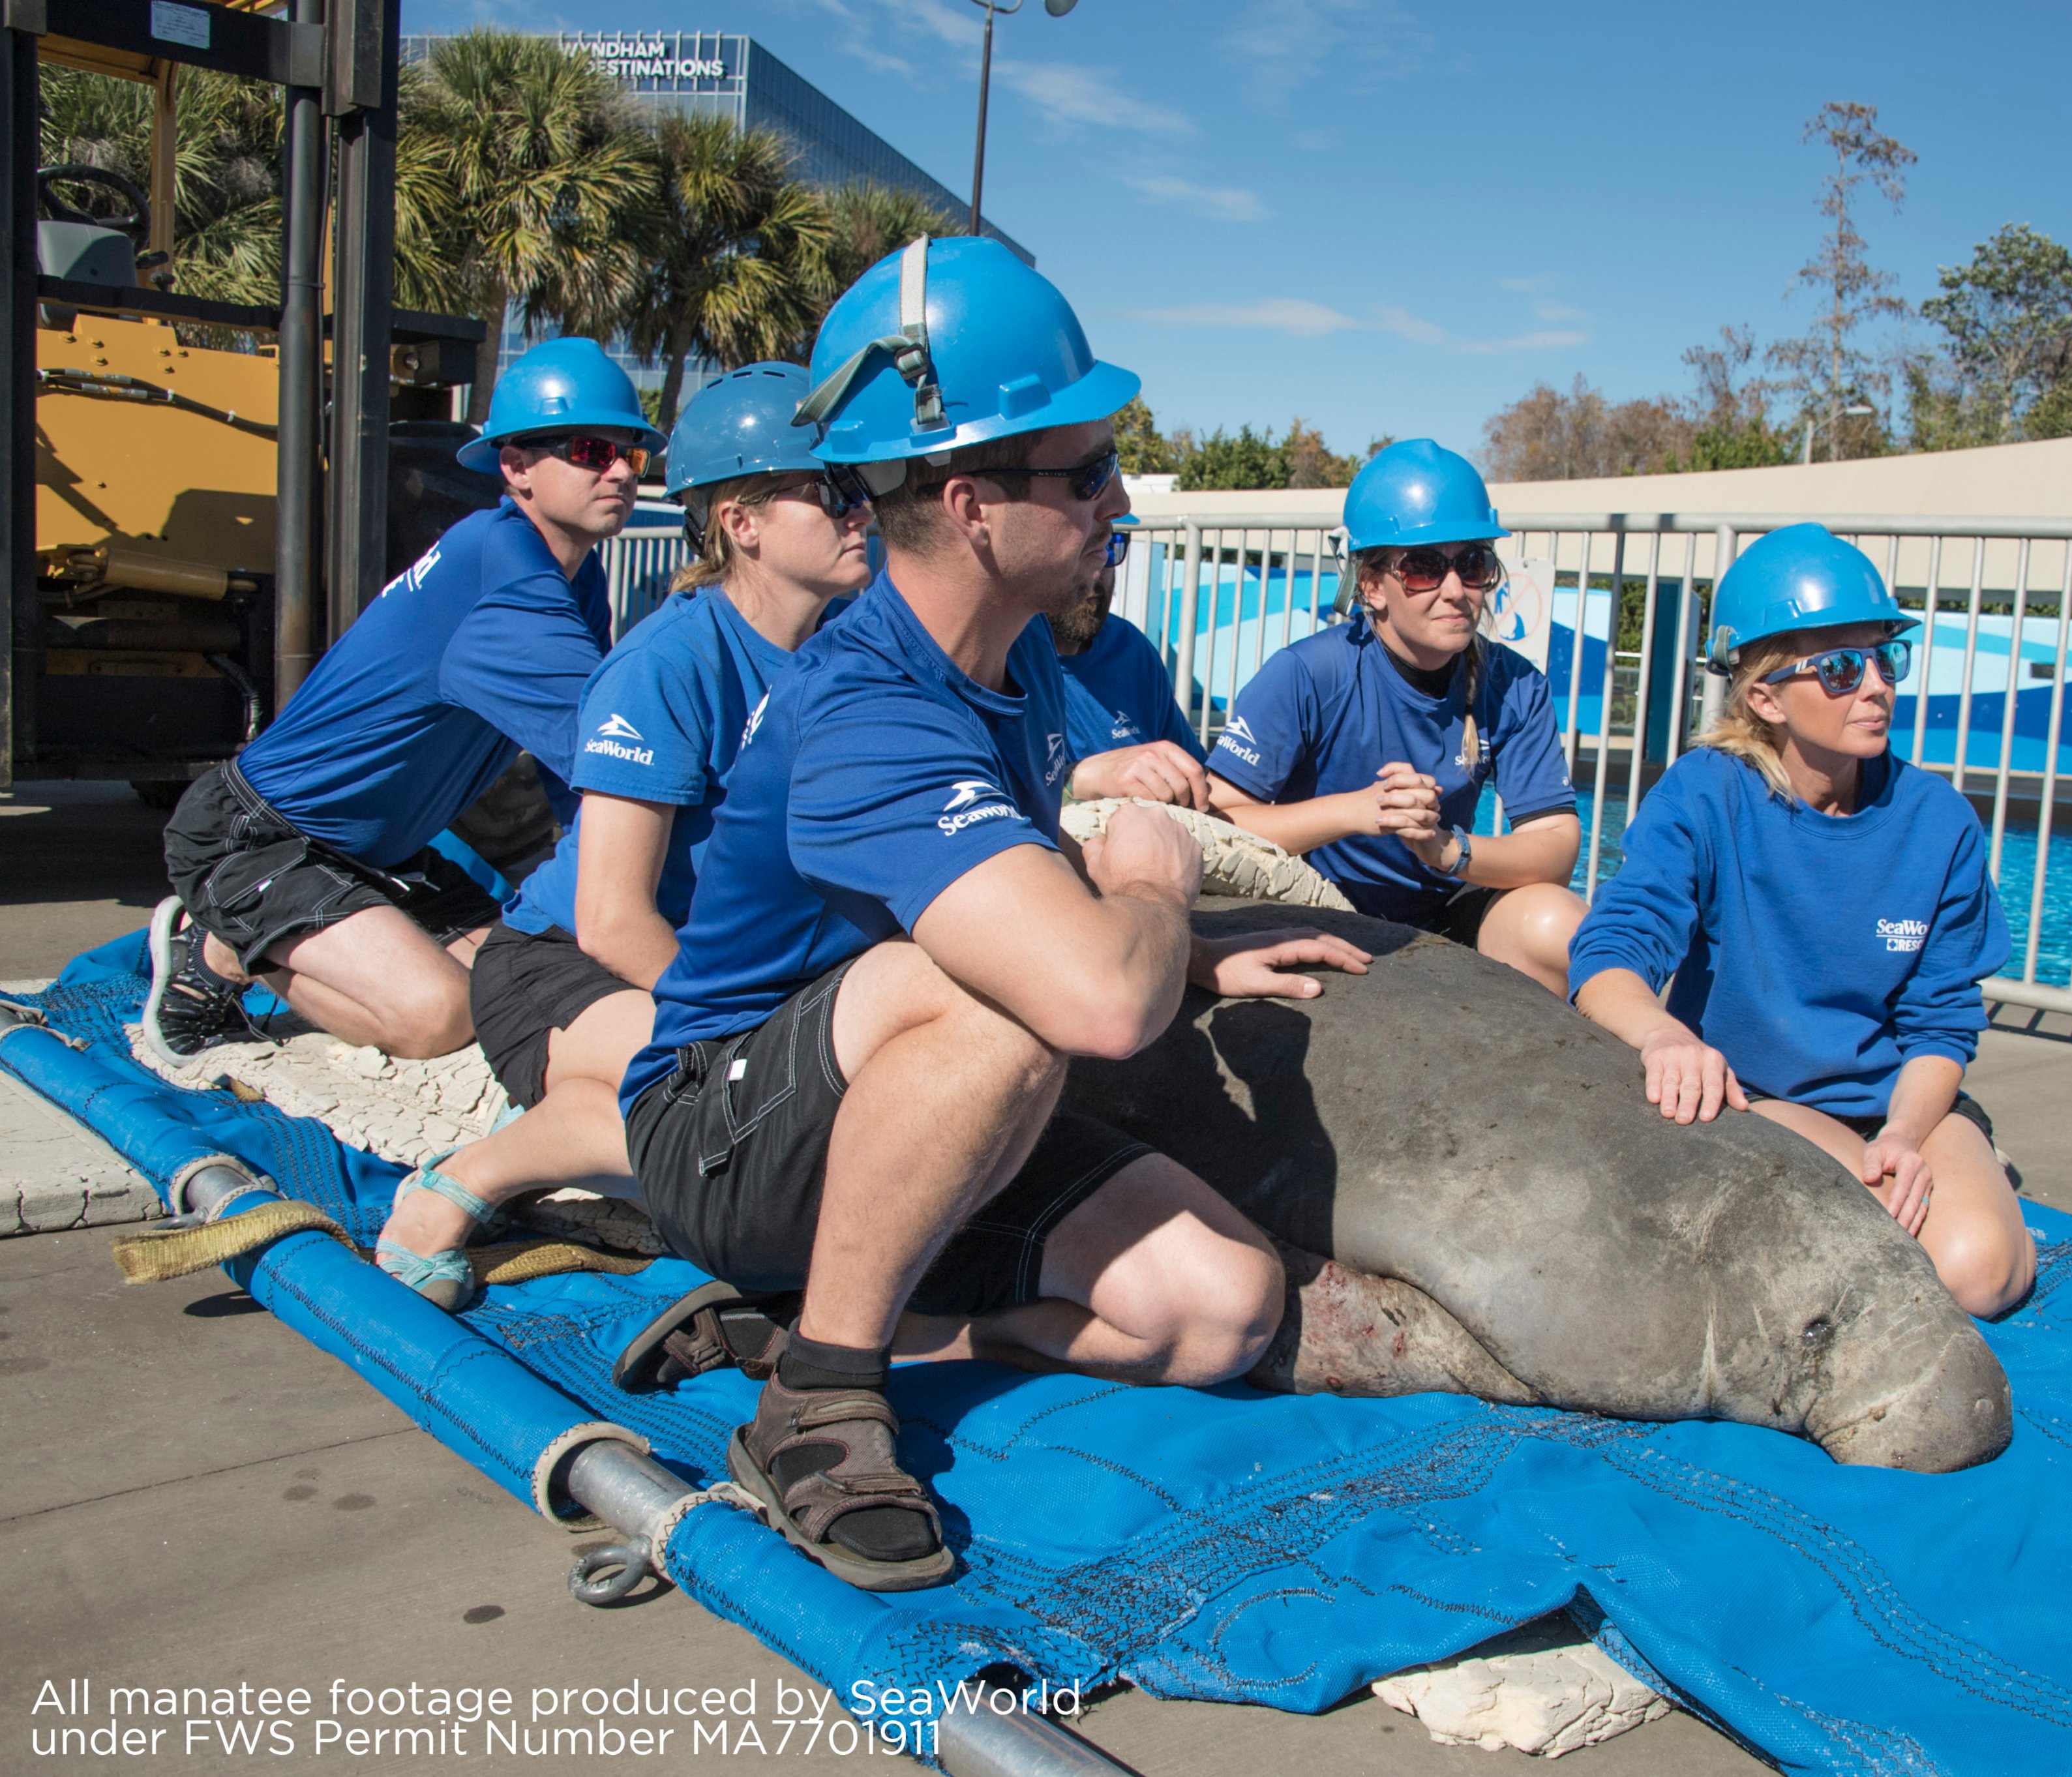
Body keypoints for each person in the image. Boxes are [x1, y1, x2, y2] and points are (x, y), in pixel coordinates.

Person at [622, 237, 1370, 1590]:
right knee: (1010, 995)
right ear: (969, 501)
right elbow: (1087, 993)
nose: (1116, 497)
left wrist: (1188, 952)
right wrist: (1151, 888)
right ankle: (821, 1405)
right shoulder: (864, 710)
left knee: (1220, 1311)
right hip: (724, 1134)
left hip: (912, 1112)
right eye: (1083, 471)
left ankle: (827, 1327)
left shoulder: (1009, 663)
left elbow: (1062, 939)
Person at [371, 363, 874, 1310]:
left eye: (866, 490)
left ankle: (613, 1124)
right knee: (741, 1119)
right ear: (742, 521)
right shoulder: (673, 660)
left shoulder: (849, 653)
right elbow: (611, 917)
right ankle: (476, 1174)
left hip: (712, 965)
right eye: (835, 491)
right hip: (566, 965)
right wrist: (756, 1037)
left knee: (811, 1137)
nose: (864, 513)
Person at [145, 339, 666, 1064]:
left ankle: (291, 935)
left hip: (375, 852)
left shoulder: (572, 579)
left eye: (631, 455)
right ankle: (223, 949)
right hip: (259, 837)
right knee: (440, 1016)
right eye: (589, 449)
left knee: (516, 987)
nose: (618, 470)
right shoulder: (500, 562)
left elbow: (571, 769)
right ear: (514, 466)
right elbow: (612, 748)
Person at [1567, 523, 2034, 1319]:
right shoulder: (1704, 793)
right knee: (1852, 1242)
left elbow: (1940, 1024)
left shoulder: (1938, 822)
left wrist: (1903, 1135)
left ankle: (1967, 1181)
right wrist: (1664, 1036)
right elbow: (1612, 949)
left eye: (1886, 660)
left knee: (1977, 1274)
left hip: (1898, 1099)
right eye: (1843, 667)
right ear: (1763, 696)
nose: (1876, 686)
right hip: (1760, 1099)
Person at [1204, 440, 1585, 993]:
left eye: (1472, 563)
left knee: (1561, 924)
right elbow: (1217, 824)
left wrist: (1448, 850)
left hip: (1440, 908)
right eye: (1425, 568)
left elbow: (1555, 844)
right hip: (1315, 902)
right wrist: (1356, 811)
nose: (1456, 591)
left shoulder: (1514, 683)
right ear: (1372, 586)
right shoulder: (1308, 674)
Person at [1057, 518, 1209, 810]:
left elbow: (1197, 777)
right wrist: (1086, 778)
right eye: (1080, 547)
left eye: (1107, 546)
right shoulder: (1003, 659)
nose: (1097, 570)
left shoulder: (1130, 649)